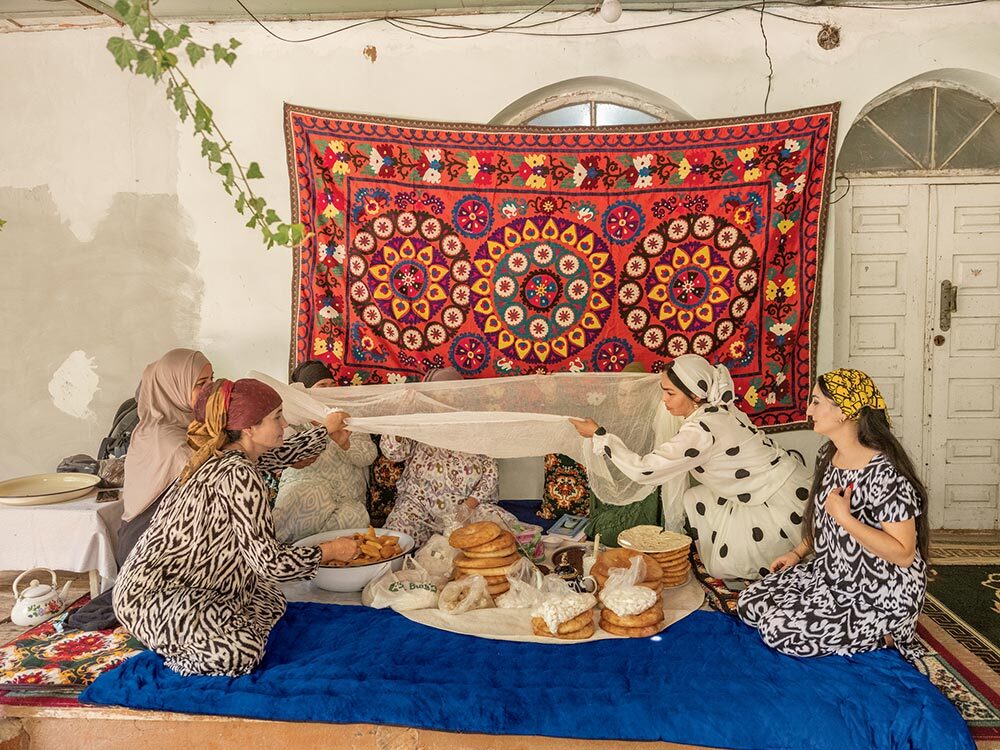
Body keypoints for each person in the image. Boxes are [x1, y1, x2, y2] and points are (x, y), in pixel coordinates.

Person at [113, 378, 358, 676]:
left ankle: (197, 632)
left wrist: (326, 431)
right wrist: (329, 551)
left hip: (197, 585)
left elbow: (286, 453)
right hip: (153, 596)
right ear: (249, 428)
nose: (283, 424)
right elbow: (270, 563)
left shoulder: (230, 453)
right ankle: (180, 657)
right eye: (276, 417)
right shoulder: (240, 475)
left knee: (271, 602)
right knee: (242, 651)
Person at [736, 369, 928, 663]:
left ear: (844, 411)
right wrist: (798, 553)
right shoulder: (830, 454)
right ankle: (822, 610)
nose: (808, 410)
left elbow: (903, 554)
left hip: (875, 589)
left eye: (816, 402)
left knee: (778, 631)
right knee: (750, 604)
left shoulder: (885, 473)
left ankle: (888, 633)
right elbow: (823, 523)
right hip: (831, 573)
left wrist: (846, 518)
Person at [570, 354, 810, 580]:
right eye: (663, 392)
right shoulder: (719, 410)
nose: (663, 399)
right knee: (696, 497)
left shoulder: (701, 430)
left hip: (777, 500)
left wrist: (600, 435)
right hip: (778, 484)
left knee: (730, 563)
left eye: (670, 393)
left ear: (695, 396)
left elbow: (645, 471)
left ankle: (774, 563)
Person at [68, 348, 214, 631]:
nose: (210, 390)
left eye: (211, 380)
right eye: (200, 384)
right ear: (173, 388)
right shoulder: (169, 441)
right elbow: (213, 481)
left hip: (153, 542)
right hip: (149, 550)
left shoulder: (165, 427)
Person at [382, 367, 500, 546]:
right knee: (395, 542)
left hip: (468, 508)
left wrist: (469, 506)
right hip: (419, 507)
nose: (449, 399)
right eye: (443, 393)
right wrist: (401, 415)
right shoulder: (416, 420)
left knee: (498, 534)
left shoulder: (477, 424)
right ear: (430, 397)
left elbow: (491, 473)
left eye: (455, 393)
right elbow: (393, 452)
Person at [272, 360, 376, 542]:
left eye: (332, 385)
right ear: (306, 393)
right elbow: (286, 455)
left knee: (355, 516)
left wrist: (346, 445)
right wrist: (323, 429)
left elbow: (368, 457)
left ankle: (315, 554)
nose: (329, 390)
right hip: (306, 491)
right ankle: (285, 556)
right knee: (311, 495)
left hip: (346, 498)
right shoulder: (290, 420)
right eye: (322, 386)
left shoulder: (348, 417)